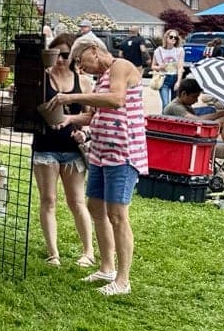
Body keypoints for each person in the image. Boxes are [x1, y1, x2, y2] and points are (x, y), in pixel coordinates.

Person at [56, 34, 147, 297]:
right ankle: (106, 268)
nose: (80, 68)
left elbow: (117, 99)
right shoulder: (100, 81)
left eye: (80, 61)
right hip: (100, 153)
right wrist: (68, 119)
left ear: (94, 50)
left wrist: (68, 96)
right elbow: (92, 115)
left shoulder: (120, 67)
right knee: (96, 208)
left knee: (118, 215)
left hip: (123, 153)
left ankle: (123, 280)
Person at [32, 32, 95, 268]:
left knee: (77, 201)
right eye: (56, 54)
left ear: (74, 57)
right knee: (48, 199)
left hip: (71, 148)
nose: (60, 60)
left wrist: (75, 124)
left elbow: (90, 114)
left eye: (66, 55)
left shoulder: (84, 82)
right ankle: (53, 253)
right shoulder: (42, 79)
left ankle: (88, 252)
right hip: (45, 145)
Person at [151, 30, 184, 110]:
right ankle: (164, 121)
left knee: (174, 104)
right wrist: (159, 67)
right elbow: (153, 66)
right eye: (171, 37)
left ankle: (172, 121)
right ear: (166, 38)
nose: (173, 39)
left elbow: (180, 68)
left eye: (175, 37)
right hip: (163, 78)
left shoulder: (179, 50)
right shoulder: (158, 51)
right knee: (165, 104)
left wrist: (178, 82)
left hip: (175, 77)